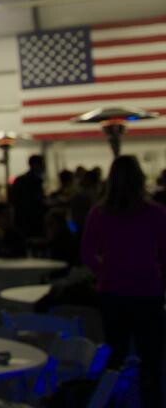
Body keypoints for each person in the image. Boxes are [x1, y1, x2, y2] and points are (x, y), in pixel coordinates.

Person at [80, 155, 166, 408]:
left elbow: (87, 252)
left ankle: (113, 401)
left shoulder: (99, 213)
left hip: (112, 291)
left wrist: (103, 271)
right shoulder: (156, 214)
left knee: (115, 355)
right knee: (150, 357)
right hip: (148, 290)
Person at [8, 154, 47, 239]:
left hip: (21, 220)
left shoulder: (20, 180)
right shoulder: (35, 182)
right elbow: (37, 202)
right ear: (35, 165)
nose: (44, 167)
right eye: (42, 164)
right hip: (33, 221)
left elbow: (13, 200)